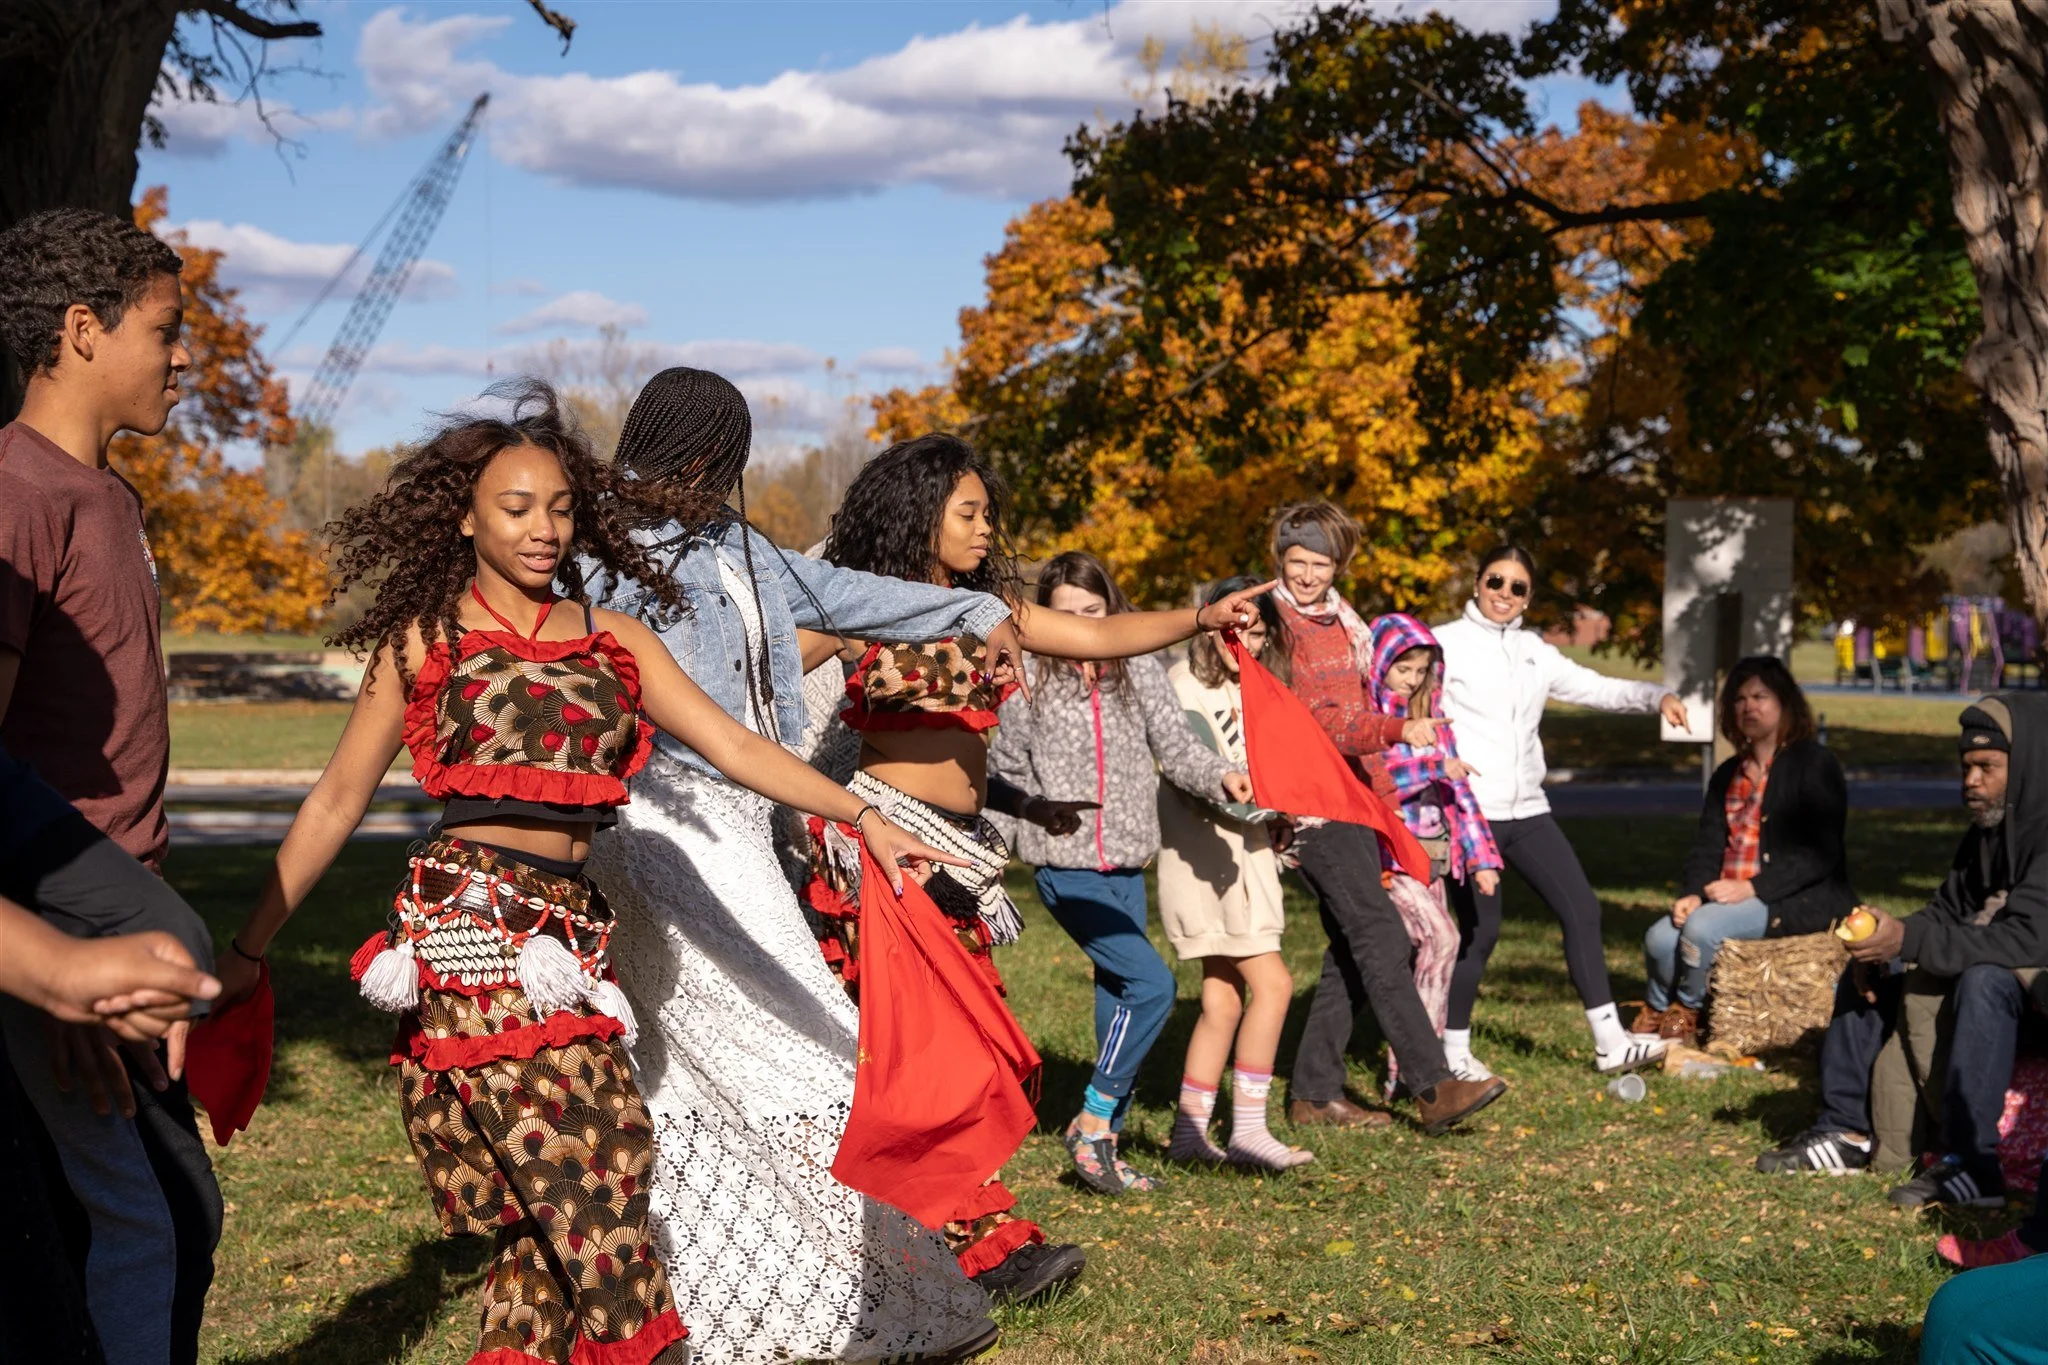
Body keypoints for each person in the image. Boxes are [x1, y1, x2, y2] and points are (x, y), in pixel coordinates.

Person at [211, 382, 975, 1365]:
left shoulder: (615, 638)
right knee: (600, 1172)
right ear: (466, 515)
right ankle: (646, 1348)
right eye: (515, 507)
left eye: (560, 509)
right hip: (471, 931)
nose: (541, 529)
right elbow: (333, 802)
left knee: (544, 1234)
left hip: (572, 936)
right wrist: (250, 946)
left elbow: (738, 751)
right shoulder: (428, 641)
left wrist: (863, 814)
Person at [583, 367, 1011, 1360]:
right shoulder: (595, 554)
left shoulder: (737, 549)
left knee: (700, 1073)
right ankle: (845, 1308)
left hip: (737, 818)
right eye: (701, 456)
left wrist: (963, 613)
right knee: (803, 1045)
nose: (704, 476)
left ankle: (764, 1311)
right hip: (652, 826)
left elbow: (843, 596)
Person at [808, 432, 1272, 1280]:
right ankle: (979, 1249)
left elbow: (1102, 638)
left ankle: (925, 1238)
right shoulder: (859, 604)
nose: (987, 530)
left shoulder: (991, 612)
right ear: (920, 516)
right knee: (926, 1054)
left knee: (964, 1054)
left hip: (960, 856)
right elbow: (751, 673)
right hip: (888, 845)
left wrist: (1199, 617)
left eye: (990, 514)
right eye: (969, 513)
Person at [0, 203, 223, 1365]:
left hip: (115, 934)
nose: (184, 357)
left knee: (154, 1225)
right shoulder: (17, 496)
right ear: (83, 330)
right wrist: (54, 975)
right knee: (155, 1225)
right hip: (60, 943)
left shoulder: (105, 497)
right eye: (166, 330)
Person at [987, 552, 1256, 1194]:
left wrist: (1221, 776)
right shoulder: (1027, 678)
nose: (1079, 625)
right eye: (1064, 614)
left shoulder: (1139, 667)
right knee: (1154, 987)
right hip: (1065, 866)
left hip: (1128, 863)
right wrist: (1001, 849)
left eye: (1092, 611)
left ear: (1111, 609)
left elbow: (1178, 748)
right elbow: (1006, 770)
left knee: (1120, 1005)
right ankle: (1092, 1121)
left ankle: (1102, 1145)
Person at [1263, 500, 1507, 1134]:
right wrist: (1401, 728)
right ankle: (1435, 1088)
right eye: (1297, 562)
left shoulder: (1340, 621)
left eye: (1321, 563)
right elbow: (1321, 721)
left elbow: (1354, 704)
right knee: (1380, 936)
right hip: (1313, 802)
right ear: (1279, 560)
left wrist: (1385, 799)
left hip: (1353, 797)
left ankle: (1314, 1093)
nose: (1309, 575)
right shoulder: (1282, 625)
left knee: (1358, 941)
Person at [1756, 697, 2048, 1217]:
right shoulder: (1987, 835)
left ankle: (1974, 1166)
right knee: (1872, 964)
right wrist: (1890, 939)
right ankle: (1846, 1131)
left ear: (2024, 766)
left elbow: (2025, 942)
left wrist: (1908, 941)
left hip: (2034, 993)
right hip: (2002, 979)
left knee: (1986, 978)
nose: (1971, 782)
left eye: (1987, 768)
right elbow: (1946, 911)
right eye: (1965, 768)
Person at [1433, 544, 1686, 1077]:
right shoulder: (1443, 645)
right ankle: (1452, 1052)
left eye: (1517, 587)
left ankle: (1609, 1042)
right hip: (1471, 815)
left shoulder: (1534, 650)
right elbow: (1410, 709)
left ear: (1529, 597)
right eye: (1495, 581)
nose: (1504, 594)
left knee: (1582, 909)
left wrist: (1656, 696)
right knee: (1481, 933)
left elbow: (1596, 689)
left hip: (1529, 812)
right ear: (1477, 583)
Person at [1160, 577, 1313, 1172]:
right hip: (1208, 862)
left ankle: (1189, 1135)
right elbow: (1199, 776)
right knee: (1274, 986)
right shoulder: (1185, 685)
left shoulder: (1255, 687)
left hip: (1245, 855)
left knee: (1223, 1001)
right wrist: (1268, 810)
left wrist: (1277, 816)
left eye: (1254, 625)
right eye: (1232, 623)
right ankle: (1249, 1130)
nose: (1241, 635)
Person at [1638, 657, 1852, 1044]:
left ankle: (1689, 1013)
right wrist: (1692, 891)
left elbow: (1821, 853)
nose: (1749, 707)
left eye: (1760, 697)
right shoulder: (1727, 773)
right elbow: (1708, 845)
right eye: (1740, 699)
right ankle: (1655, 1011)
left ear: (1784, 704)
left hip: (1791, 898)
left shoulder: (1815, 765)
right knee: (1660, 938)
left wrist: (1753, 888)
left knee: (1702, 930)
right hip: (1729, 894)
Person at [1362, 612, 1501, 1094]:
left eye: (1422, 671)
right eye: (1404, 669)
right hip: (1389, 858)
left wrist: (1482, 857)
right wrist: (1432, 763)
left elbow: (1460, 793)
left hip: (1431, 858)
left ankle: (1415, 1069)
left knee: (1434, 953)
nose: (1412, 680)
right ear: (1381, 663)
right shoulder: (1371, 719)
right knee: (1442, 941)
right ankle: (1422, 1070)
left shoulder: (1432, 720)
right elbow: (1380, 777)